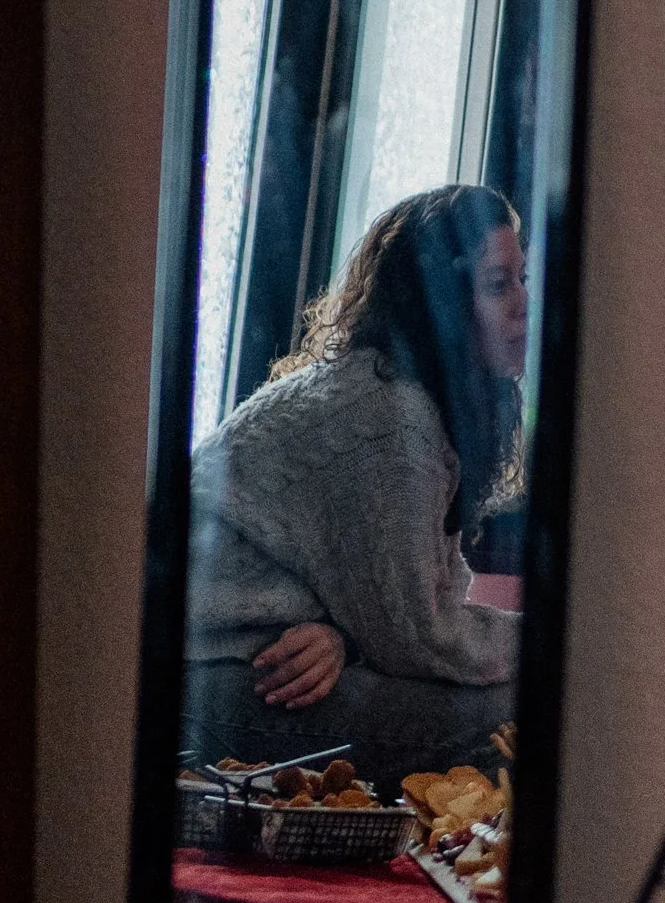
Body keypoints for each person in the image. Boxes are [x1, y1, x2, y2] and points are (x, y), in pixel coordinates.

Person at [183, 183, 531, 796]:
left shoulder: (406, 400)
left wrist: (344, 637)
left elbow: (401, 611)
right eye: (500, 285)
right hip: (204, 677)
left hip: (258, 658)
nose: (525, 305)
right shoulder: (388, 421)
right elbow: (420, 636)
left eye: (521, 280)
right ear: (444, 304)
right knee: (516, 717)